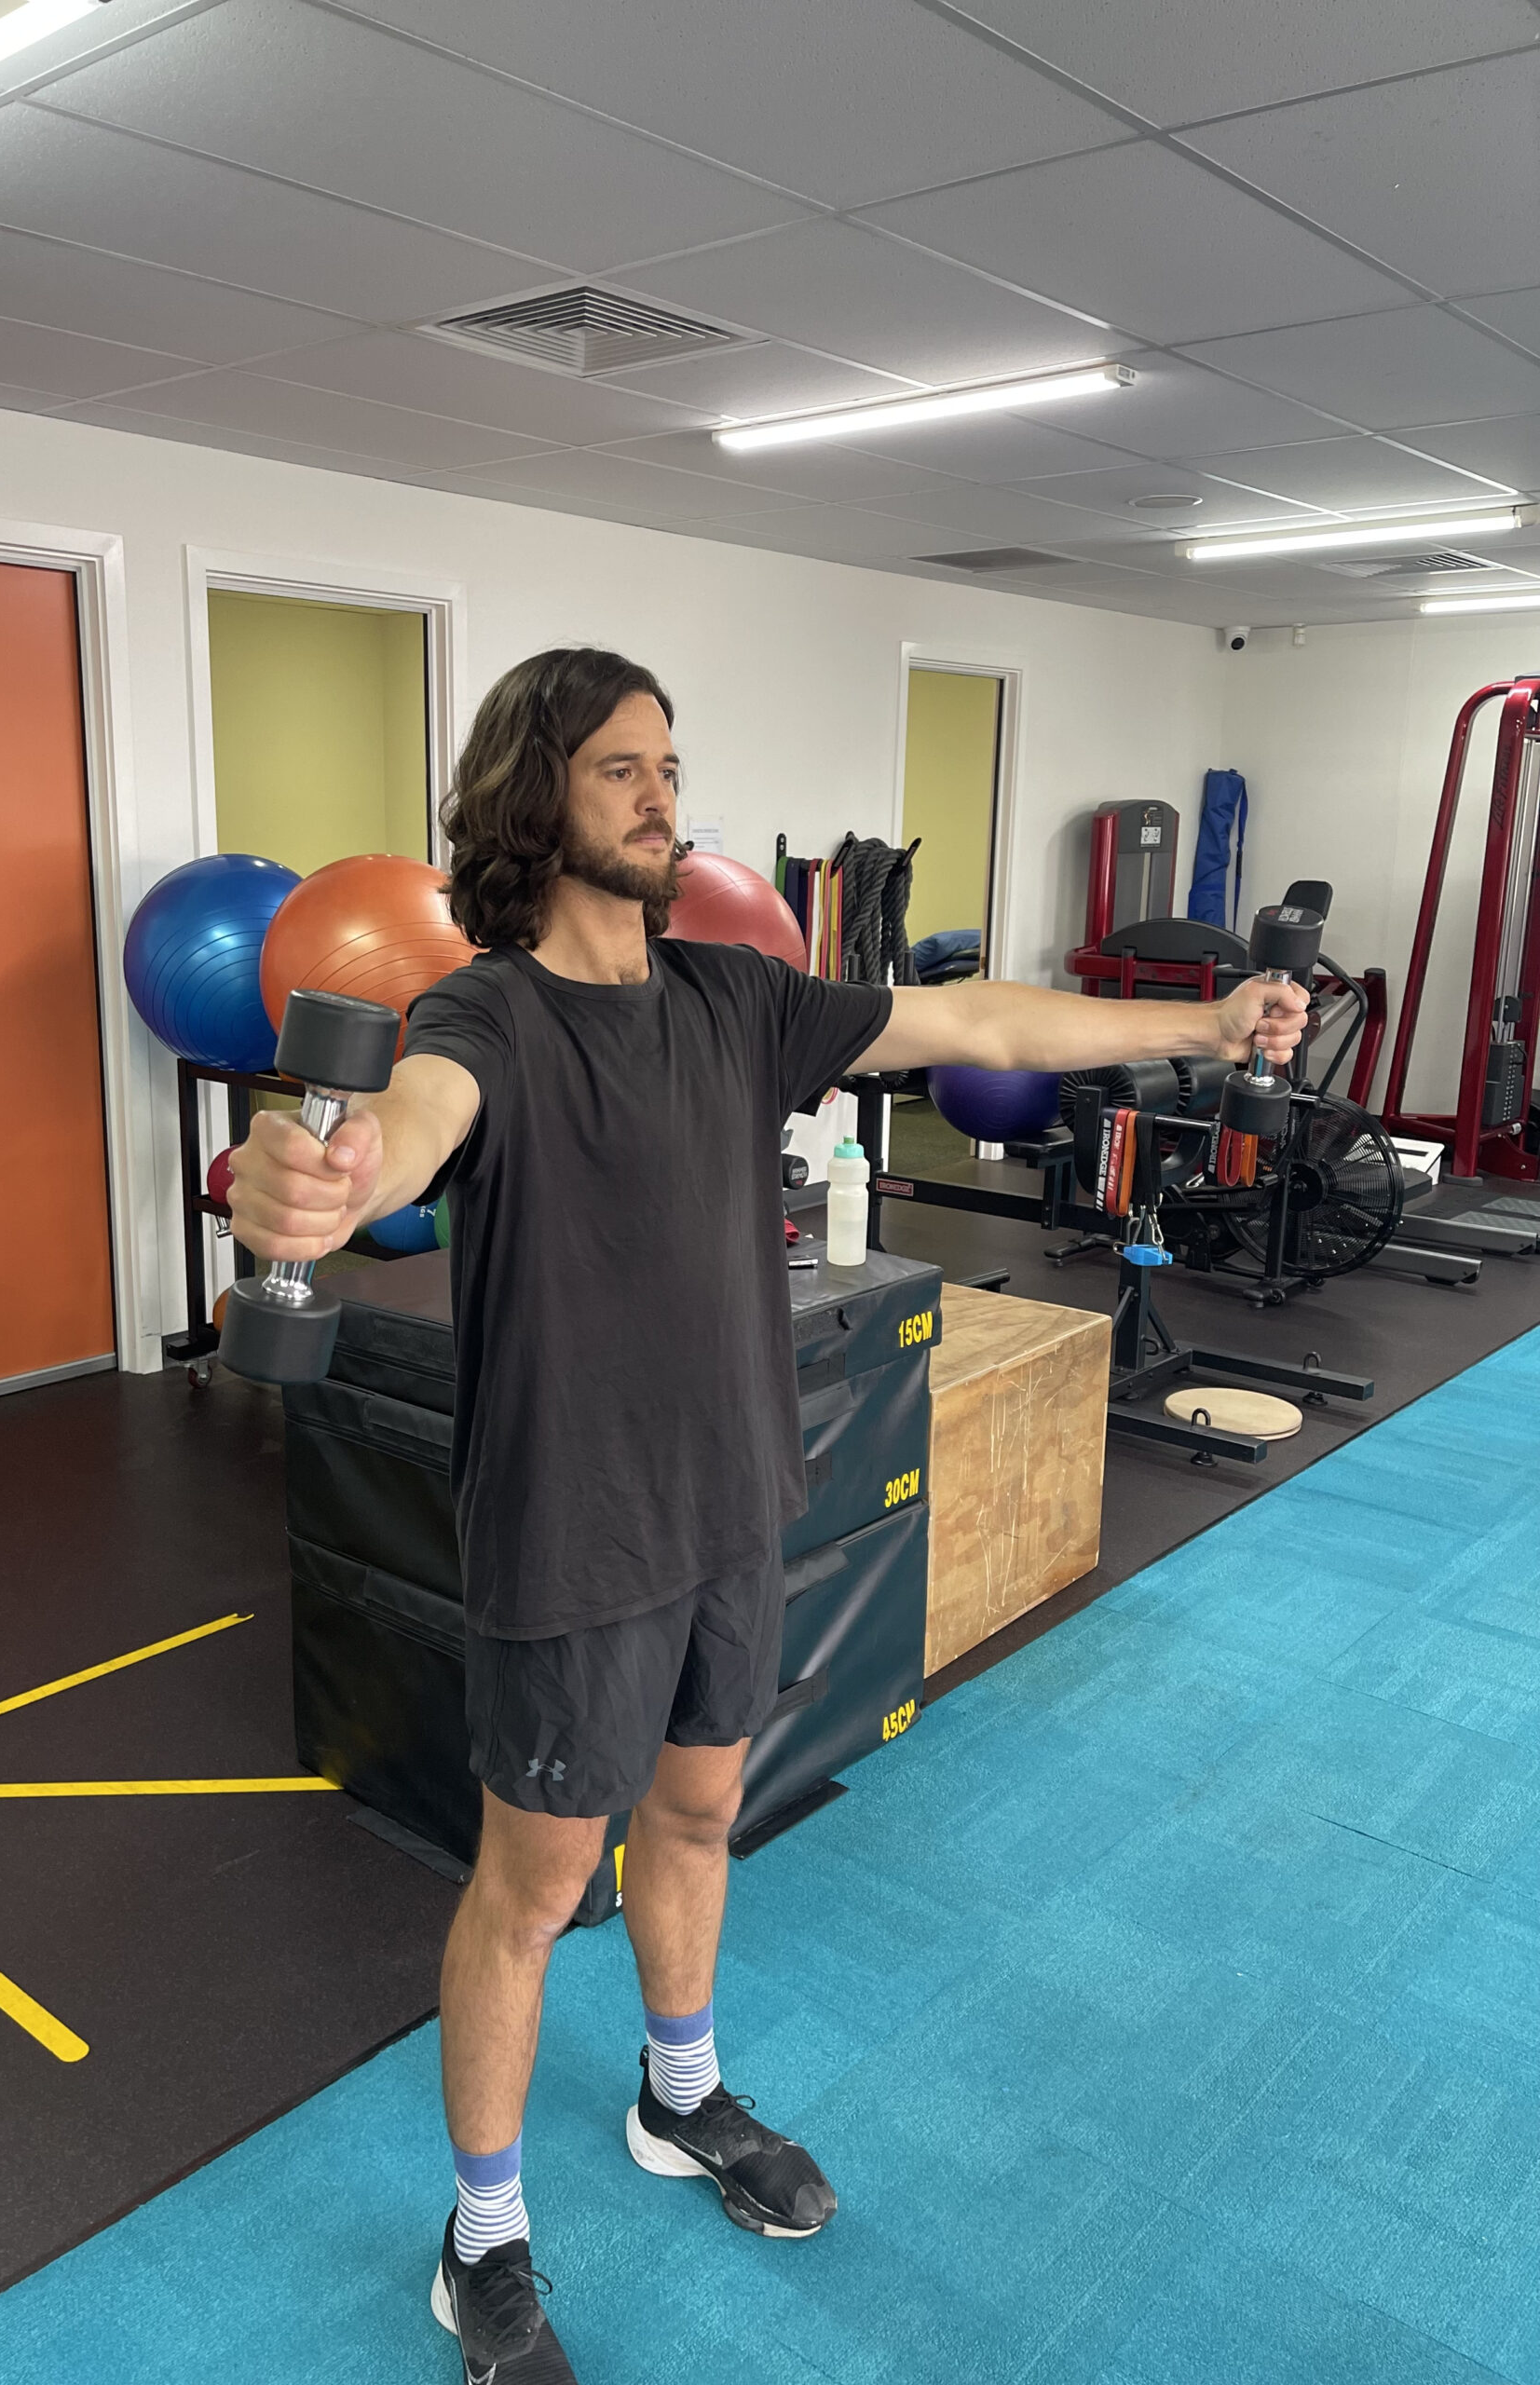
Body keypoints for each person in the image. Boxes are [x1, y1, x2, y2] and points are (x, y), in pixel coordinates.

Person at [227, 648, 1309, 2383]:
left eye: (671, 765)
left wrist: (1195, 1023)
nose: (664, 797)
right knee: (533, 1884)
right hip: (573, 1533)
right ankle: (482, 2236)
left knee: (702, 1813)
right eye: (620, 771)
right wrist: (330, 1172)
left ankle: (678, 2097)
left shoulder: (738, 996)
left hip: (737, 1505)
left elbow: (975, 1022)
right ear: (536, 803)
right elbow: (410, 1135)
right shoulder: (482, 1017)